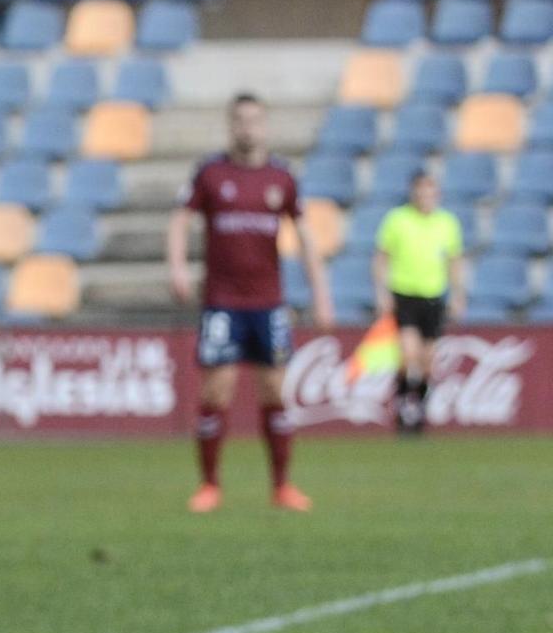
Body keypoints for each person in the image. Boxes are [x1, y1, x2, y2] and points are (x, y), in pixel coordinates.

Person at [167, 92, 334, 513]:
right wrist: (178, 267)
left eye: (255, 120)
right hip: (222, 302)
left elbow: (306, 236)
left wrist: (321, 294)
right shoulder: (210, 172)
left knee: (275, 389)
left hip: (269, 302)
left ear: (265, 125)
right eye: (240, 120)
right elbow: (179, 219)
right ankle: (209, 485)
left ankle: (281, 486)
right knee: (217, 391)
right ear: (231, 125)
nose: (248, 127)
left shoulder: (282, 177)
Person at [372, 171, 466, 434]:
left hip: (434, 296)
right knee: (407, 354)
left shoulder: (447, 223)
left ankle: (419, 410)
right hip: (405, 295)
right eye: (421, 192)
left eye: (430, 192)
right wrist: (381, 292)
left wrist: (458, 294)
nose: (425, 197)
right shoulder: (397, 220)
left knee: (427, 361)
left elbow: (455, 261)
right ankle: (403, 408)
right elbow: (381, 257)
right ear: (413, 193)